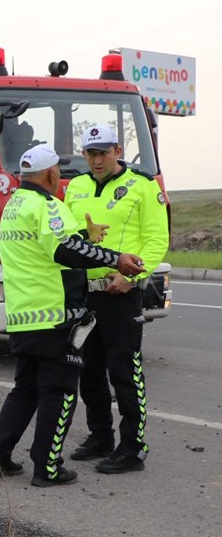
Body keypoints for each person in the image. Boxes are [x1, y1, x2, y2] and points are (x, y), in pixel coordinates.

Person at [0, 145, 145, 487]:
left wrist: (85, 236)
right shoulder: (48, 205)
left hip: (25, 315)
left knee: (25, 389)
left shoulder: (15, 205)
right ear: (53, 174)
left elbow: (44, 247)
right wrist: (115, 258)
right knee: (61, 391)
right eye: (59, 172)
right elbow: (63, 250)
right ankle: (48, 467)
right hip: (56, 315)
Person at [64, 124, 170, 474]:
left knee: (125, 372)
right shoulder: (76, 187)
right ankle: (100, 436)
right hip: (86, 295)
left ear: (118, 150)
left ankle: (133, 447)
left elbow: (157, 240)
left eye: (103, 152)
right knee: (88, 371)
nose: (96, 159)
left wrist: (132, 277)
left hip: (121, 295)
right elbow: (69, 238)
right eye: (90, 153)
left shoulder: (142, 186)